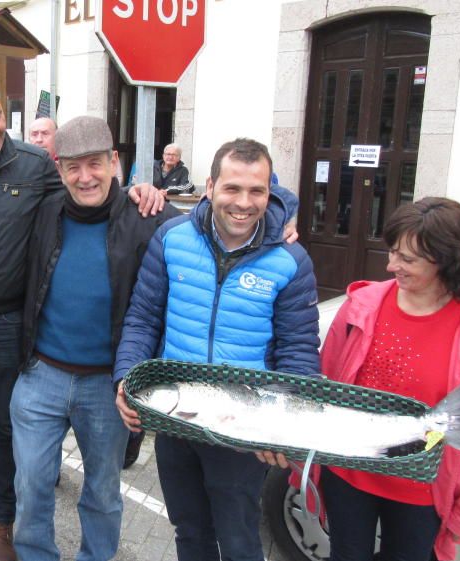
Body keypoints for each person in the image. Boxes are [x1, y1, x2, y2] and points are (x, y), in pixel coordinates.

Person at [0, 72, 163, 561]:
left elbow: (102, 186)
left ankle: (2, 523)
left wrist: (146, 190)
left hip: (8, 323)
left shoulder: (35, 164)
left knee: (7, 428)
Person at [115, 138, 320, 561]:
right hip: (177, 420)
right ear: (209, 187)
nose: (243, 203)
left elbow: (298, 353)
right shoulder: (172, 238)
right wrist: (126, 379)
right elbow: (143, 319)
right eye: (232, 189)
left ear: (271, 192)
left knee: (240, 539)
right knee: (189, 532)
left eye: (256, 191)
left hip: (243, 432)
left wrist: (284, 425)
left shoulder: (290, 260)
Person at [13, 116, 182, 561]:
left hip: (108, 385)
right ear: (59, 168)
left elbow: (220, 218)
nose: (84, 177)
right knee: (30, 482)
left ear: (114, 162)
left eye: (94, 164)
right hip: (41, 376)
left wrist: (279, 216)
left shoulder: (147, 216)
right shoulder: (43, 211)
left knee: (103, 492)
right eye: (73, 166)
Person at [314, 198, 460, 561]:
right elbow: (326, 391)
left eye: (407, 259)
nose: (392, 266)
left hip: (421, 491)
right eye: (393, 253)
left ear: (447, 260)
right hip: (349, 475)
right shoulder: (360, 306)